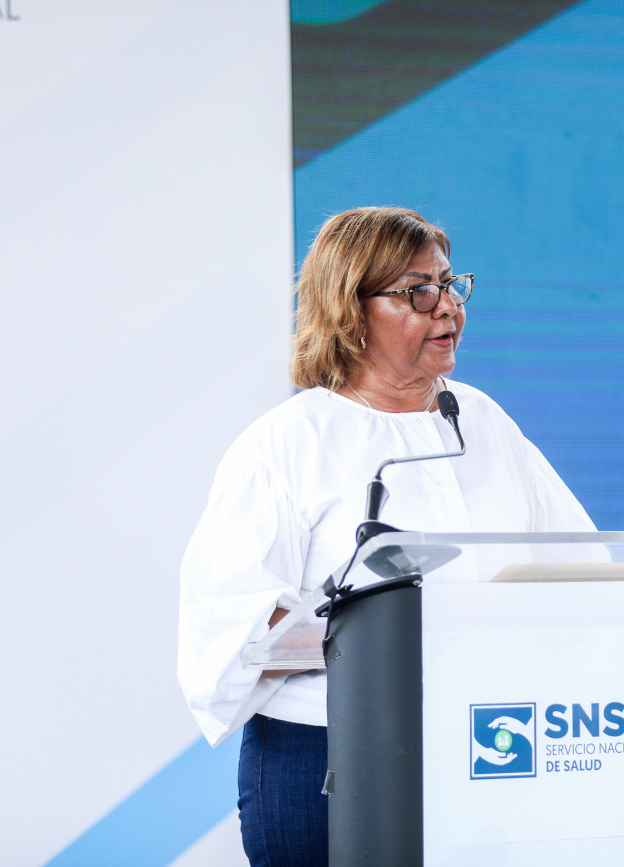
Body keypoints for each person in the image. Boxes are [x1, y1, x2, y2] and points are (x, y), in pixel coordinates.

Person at [177, 206, 596, 866]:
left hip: (484, 740)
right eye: (417, 291)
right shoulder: (287, 443)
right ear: (351, 310)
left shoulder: (481, 421)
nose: (447, 307)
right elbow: (229, 621)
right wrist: (368, 628)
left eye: (450, 284)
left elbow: (581, 560)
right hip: (325, 753)